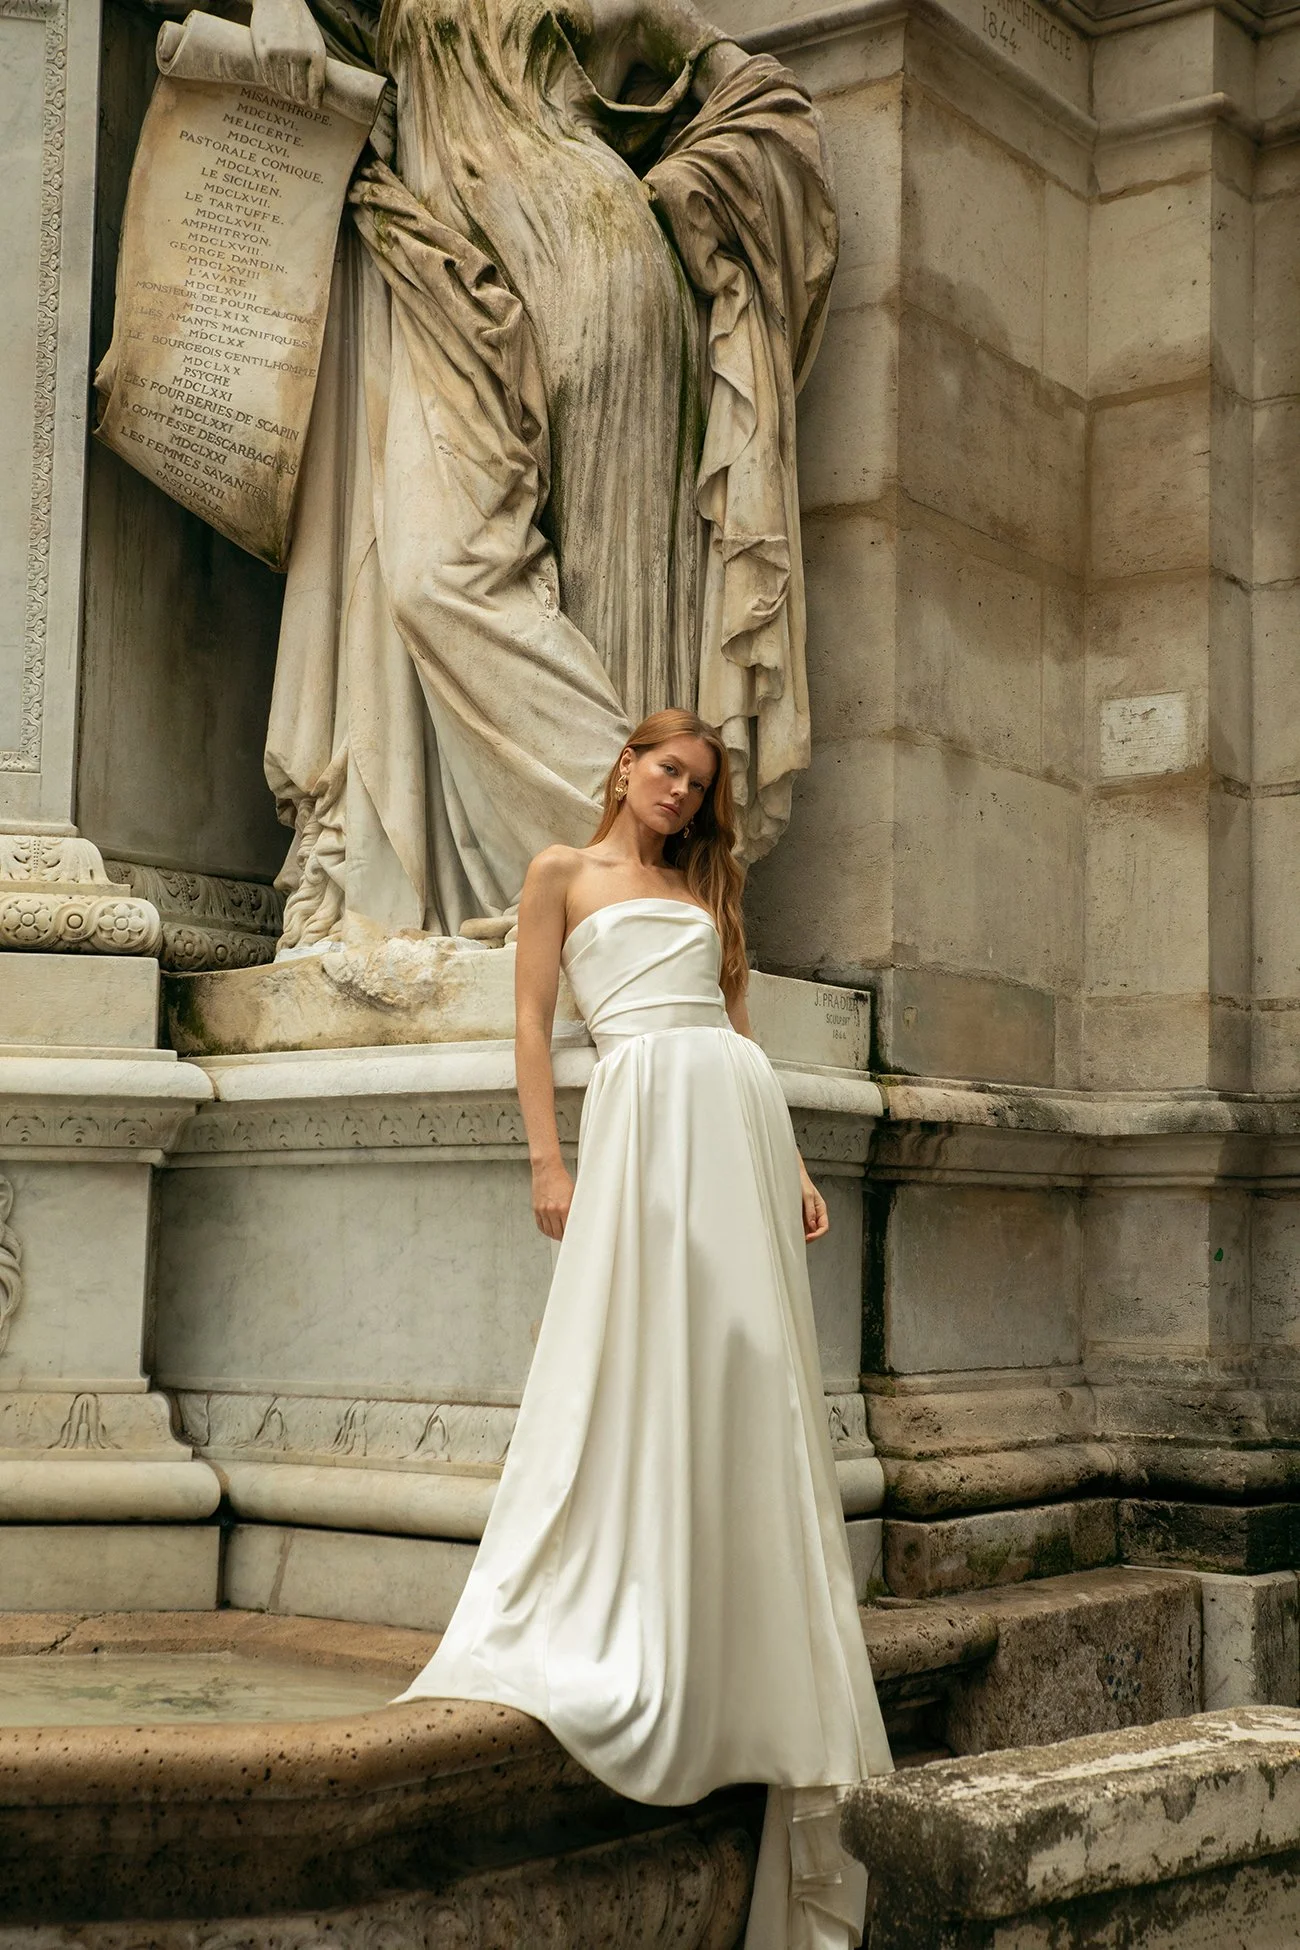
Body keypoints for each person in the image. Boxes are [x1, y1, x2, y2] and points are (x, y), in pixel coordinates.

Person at [397, 709, 892, 1948]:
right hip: (636, 1122)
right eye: (667, 770)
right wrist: (545, 1163)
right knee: (633, 1356)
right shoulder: (557, 874)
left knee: (748, 1363)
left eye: (698, 784)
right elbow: (528, 1027)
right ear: (625, 767)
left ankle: (746, 1625)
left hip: (728, 1119)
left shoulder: (705, 887)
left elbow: (736, 1035)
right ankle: (643, 1595)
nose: (679, 793)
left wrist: (790, 1166)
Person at [193, 0, 837, 950]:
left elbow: (766, 103)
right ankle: (639, 876)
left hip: (599, 275)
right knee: (431, 576)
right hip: (435, 270)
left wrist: (683, 189)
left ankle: (631, 896)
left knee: (604, 598)